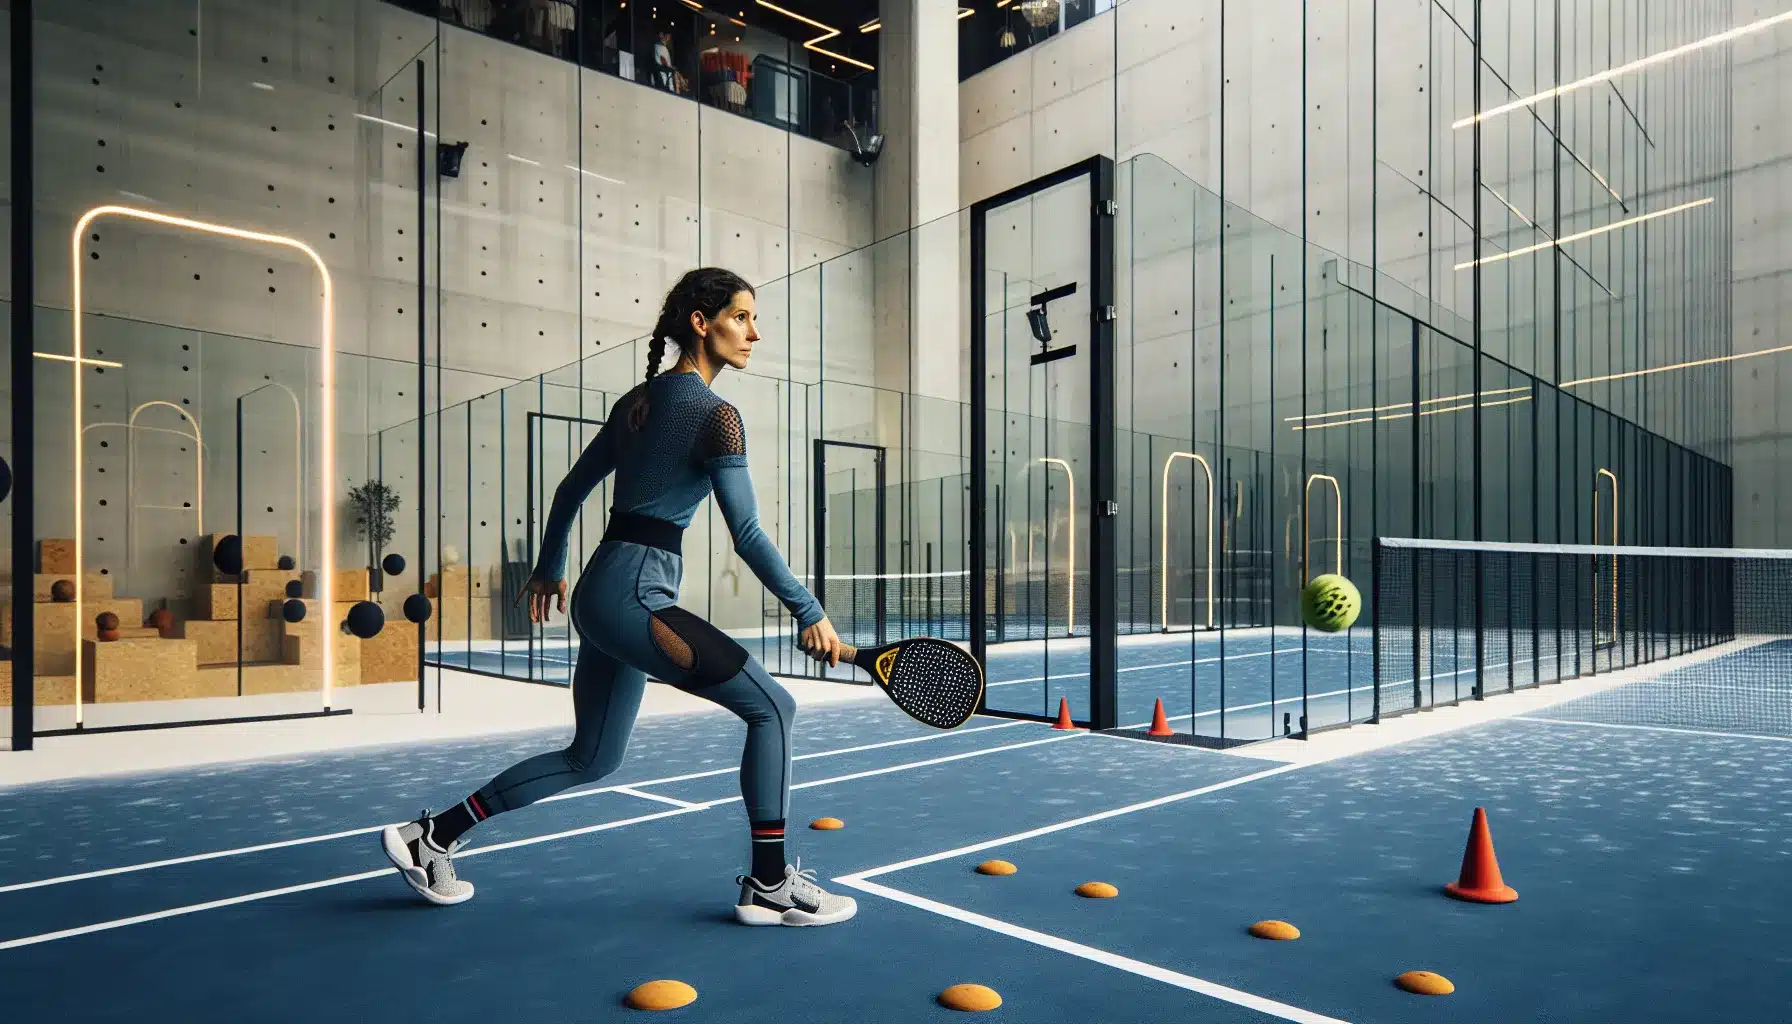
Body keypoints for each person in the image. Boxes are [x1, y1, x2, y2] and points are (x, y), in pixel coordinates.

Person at [379, 267, 857, 928]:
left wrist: (551, 567)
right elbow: (746, 533)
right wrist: (810, 611)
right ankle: (770, 885)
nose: (755, 333)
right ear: (701, 323)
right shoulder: (717, 417)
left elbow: (569, 490)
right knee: (774, 708)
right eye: (742, 317)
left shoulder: (638, 402)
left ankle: (431, 837)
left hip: (603, 593)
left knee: (593, 757)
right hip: (634, 597)